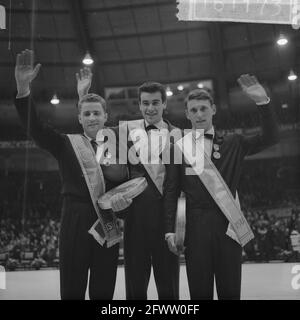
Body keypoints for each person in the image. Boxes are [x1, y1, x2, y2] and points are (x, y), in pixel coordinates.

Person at [14, 49, 131, 300]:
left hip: (107, 222)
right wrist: (23, 91)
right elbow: (35, 129)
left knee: (103, 292)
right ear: (79, 118)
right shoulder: (65, 143)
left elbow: (126, 183)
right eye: (86, 113)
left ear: (106, 117)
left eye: (96, 113)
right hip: (74, 221)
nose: (91, 117)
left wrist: (125, 204)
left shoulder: (118, 146)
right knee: (72, 290)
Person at [163, 74, 279, 300]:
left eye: (203, 109)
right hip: (194, 232)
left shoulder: (234, 143)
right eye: (193, 110)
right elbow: (171, 190)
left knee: (230, 293)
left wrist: (263, 103)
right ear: (187, 114)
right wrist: (170, 229)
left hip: (230, 229)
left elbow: (271, 137)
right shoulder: (178, 147)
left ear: (213, 110)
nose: (199, 114)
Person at [79, 75, 180, 300]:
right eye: (145, 103)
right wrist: (83, 97)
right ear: (139, 104)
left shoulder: (180, 136)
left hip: (167, 226)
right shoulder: (124, 132)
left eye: (155, 103)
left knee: (170, 293)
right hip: (135, 224)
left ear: (164, 103)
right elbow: (96, 127)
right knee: (135, 293)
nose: (150, 108)